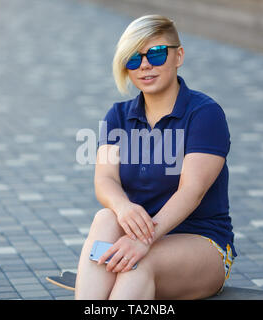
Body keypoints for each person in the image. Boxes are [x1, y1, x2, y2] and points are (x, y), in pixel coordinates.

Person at [75, 14, 236, 300]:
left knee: (135, 264)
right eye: (134, 59)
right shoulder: (118, 116)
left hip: (201, 242)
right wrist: (123, 207)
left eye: (157, 53)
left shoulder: (204, 114)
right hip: (137, 236)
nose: (145, 65)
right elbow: (105, 179)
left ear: (179, 56)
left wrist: (144, 239)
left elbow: (192, 192)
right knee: (105, 218)